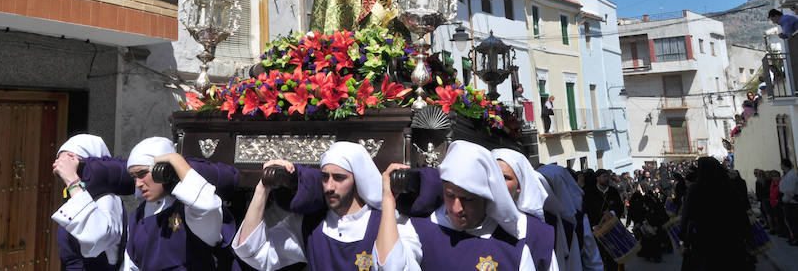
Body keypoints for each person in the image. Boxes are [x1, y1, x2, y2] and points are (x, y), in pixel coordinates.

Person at [233, 141, 404, 270]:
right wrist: (263, 188)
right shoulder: (310, 223)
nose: (329, 187)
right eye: (324, 177)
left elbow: (394, 266)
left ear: (357, 179)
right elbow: (252, 251)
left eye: (339, 177)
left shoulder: (386, 222)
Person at [374, 140, 537, 271]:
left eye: (467, 199)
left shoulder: (513, 246)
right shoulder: (418, 229)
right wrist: (388, 200)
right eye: (450, 195)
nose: (456, 208)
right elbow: (390, 266)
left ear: (486, 197)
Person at [124, 137, 225, 270]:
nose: (138, 184)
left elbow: (208, 204)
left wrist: (176, 161)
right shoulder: (137, 217)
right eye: (134, 177)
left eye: (142, 173)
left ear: (163, 170)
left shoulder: (189, 209)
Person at [52, 134, 125, 270]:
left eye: (70, 159)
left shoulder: (106, 198)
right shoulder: (80, 197)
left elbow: (95, 237)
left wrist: (73, 182)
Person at [492, 148, 559, 271]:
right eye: (493, 175)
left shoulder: (537, 231)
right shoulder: (469, 223)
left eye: (506, 177)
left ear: (519, 186)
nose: (498, 182)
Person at [678, 157, 749, 270]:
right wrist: (745, 233)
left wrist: (684, 240)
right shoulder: (728, 186)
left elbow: (687, 216)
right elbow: (740, 212)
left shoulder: (695, 189)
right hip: (729, 238)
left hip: (703, 239)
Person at [581, 169, 625, 270]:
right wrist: (593, 225)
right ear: (597, 178)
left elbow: (619, 207)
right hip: (597, 230)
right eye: (604, 176)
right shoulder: (590, 193)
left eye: (607, 177)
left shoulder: (613, 191)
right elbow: (587, 211)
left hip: (612, 229)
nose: (606, 179)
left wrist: (612, 213)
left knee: (614, 256)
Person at [781, 158, 798, 245]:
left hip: (792, 201)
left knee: (794, 221)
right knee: (790, 221)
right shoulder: (787, 174)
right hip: (788, 200)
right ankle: (794, 237)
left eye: (781, 164)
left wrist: (787, 197)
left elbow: (790, 189)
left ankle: (796, 239)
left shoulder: (792, 174)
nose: (780, 166)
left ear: (784, 165)